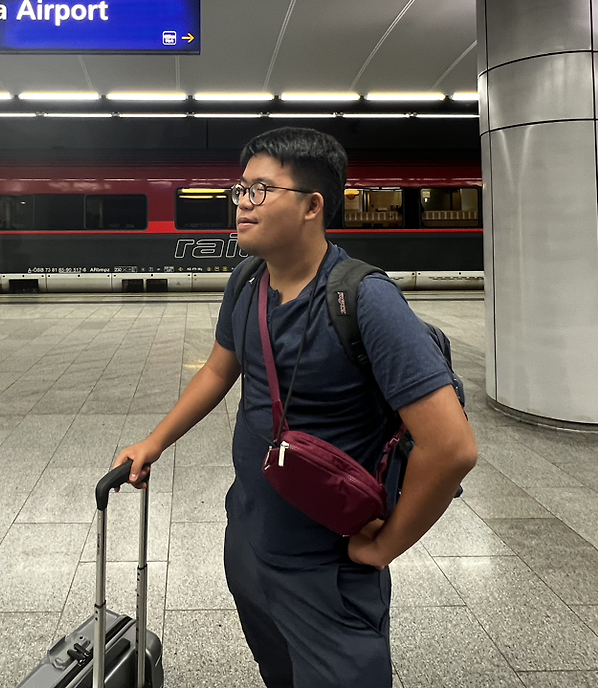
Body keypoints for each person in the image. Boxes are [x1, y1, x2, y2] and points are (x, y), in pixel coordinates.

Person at [114, 128, 478, 688]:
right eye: (240, 189)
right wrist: (155, 442)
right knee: (280, 673)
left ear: (313, 206)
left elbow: (451, 448)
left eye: (261, 189)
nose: (242, 203)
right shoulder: (247, 281)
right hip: (250, 540)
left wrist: (386, 545)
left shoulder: (365, 300)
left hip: (327, 568)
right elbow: (219, 370)